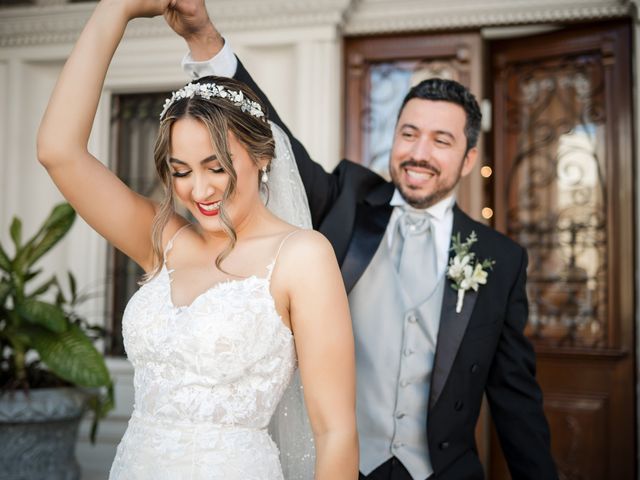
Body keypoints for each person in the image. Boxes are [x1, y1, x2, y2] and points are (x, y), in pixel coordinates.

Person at [166, 2, 559, 479]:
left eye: (441, 140)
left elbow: (515, 397)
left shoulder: (501, 259)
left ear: (469, 156)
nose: (419, 152)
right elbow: (275, 136)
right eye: (409, 133)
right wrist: (205, 40)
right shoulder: (347, 200)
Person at [36, 0, 359, 478]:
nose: (200, 191)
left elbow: (335, 432)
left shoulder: (302, 257)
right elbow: (58, 151)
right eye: (180, 172)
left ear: (261, 156)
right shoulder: (165, 239)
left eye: (217, 167)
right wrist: (116, 10)